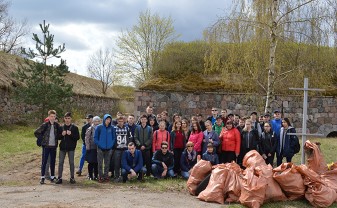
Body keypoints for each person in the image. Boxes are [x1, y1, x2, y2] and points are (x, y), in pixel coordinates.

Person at [34, 110, 61, 184]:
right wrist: (42, 139)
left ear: (55, 117)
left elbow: (60, 134)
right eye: (51, 116)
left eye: (54, 116)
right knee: (44, 162)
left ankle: (52, 177)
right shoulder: (45, 125)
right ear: (49, 117)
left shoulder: (57, 125)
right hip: (46, 146)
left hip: (53, 146)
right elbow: (36, 132)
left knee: (53, 162)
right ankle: (42, 177)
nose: (52, 118)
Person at [56, 112, 80, 184]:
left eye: (68, 118)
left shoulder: (75, 128)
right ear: (64, 119)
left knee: (71, 163)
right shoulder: (61, 127)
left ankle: (72, 177)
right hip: (62, 148)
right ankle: (59, 178)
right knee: (60, 163)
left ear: (71, 119)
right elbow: (57, 137)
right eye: (66, 118)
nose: (67, 120)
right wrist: (61, 135)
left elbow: (77, 137)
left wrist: (71, 134)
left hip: (71, 148)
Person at [94, 114, 116, 183]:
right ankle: (100, 176)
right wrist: (99, 144)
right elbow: (95, 138)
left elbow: (114, 138)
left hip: (109, 149)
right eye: (107, 119)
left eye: (109, 120)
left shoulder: (112, 128)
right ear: (104, 119)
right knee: (100, 163)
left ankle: (106, 176)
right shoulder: (99, 127)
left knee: (107, 163)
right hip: (100, 148)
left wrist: (111, 145)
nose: (108, 121)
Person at [112, 116, 133, 182]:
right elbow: (112, 138)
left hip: (125, 149)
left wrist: (128, 145)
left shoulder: (127, 128)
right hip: (117, 149)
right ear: (117, 121)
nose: (121, 123)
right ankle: (116, 176)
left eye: (122, 121)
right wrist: (114, 145)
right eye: (119, 121)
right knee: (117, 163)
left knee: (124, 163)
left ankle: (124, 176)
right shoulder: (114, 128)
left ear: (124, 121)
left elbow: (130, 137)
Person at [85, 116, 101, 180]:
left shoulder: (101, 128)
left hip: (98, 148)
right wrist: (88, 147)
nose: (96, 122)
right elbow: (87, 138)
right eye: (95, 121)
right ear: (93, 121)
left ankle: (96, 175)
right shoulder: (90, 128)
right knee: (91, 162)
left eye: (98, 121)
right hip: (91, 148)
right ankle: (90, 175)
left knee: (96, 163)